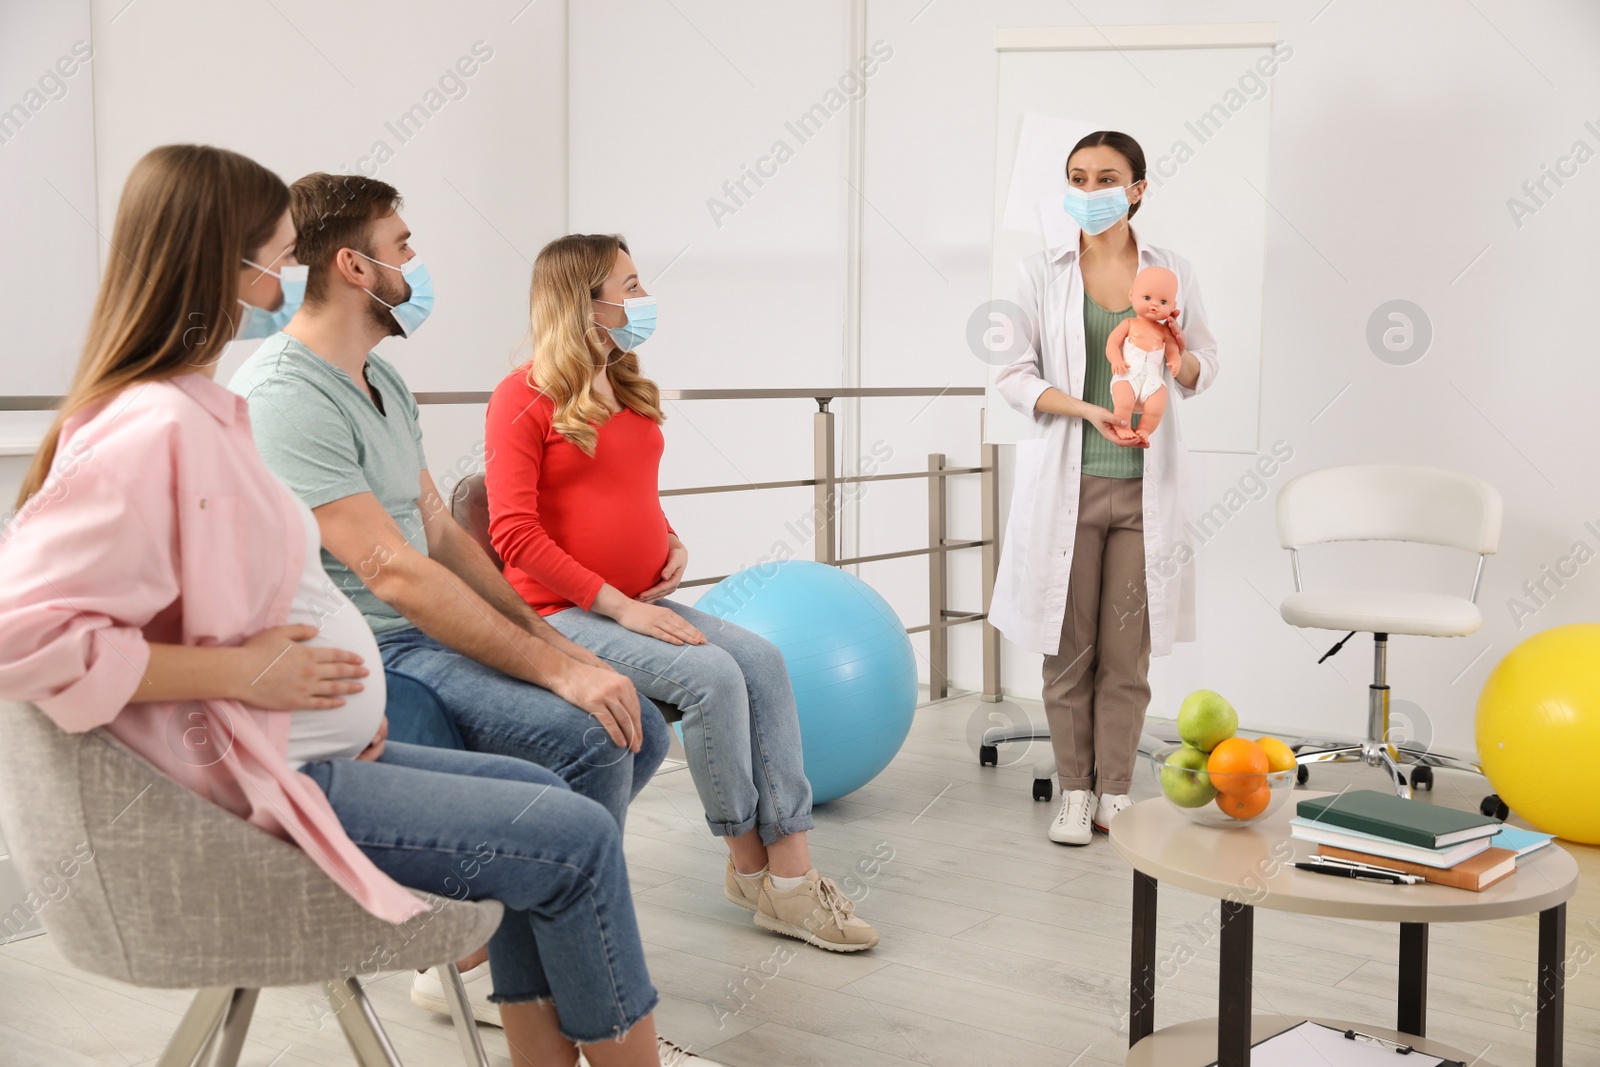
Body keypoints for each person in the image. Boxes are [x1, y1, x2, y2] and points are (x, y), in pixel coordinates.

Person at [0, 144, 718, 1066]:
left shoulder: (200, 409)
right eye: (274, 251)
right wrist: (251, 676)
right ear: (228, 261)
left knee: (555, 791)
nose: (283, 272)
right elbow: (22, 633)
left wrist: (333, 716)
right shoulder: (162, 421)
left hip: (306, 752)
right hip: (256, 792)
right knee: (574, 832)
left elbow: (235, 593)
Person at [227, 175, 673, 1019]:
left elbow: (438, 529)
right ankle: (567, 1008)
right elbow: (392, 570)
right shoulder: (283, 395)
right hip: (373, 651)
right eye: (403, 248)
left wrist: (562, 649)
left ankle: (526, 970)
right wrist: (556, 671)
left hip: (422, 633)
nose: (416, 267)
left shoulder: (380, 381)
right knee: (594, 742)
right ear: (356, 267)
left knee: (637, 724)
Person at [482, 234, 879, 953]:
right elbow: (513, 533)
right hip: (561, 612)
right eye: (629, 286)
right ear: (583, 300)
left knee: (763, 660)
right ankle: (752, 866)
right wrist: (619, 604)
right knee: (713, 677)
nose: (642, 300)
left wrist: (669, 537)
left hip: (637, 599)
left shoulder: (627, 383)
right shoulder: (523, 396)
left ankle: (792, 876)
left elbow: (629, 490)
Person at [989, 130, 1220, 847]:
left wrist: (1178, 352)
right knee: (1068, 650)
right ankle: (1074, 790)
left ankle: (1116, 791)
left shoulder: (1172, 269)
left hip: (1144, 491)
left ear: (1138, 189)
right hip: (1069, 484)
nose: (1090, 193)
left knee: (1127, 653)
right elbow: (1013, 375)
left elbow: (1204, 367)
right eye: (1078, 179)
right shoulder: (1039, 272)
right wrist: (1088, 408)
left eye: (1106, 179)